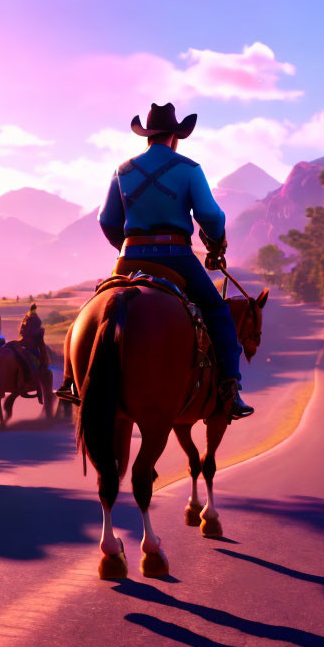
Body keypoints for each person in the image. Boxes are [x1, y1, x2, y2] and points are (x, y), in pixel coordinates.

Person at [68, 102, 252, 419]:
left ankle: (72, 380)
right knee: (216, 310)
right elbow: (209, 215)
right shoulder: (189, 168)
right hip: (176, 256)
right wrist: (216, 235)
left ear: (147, 135)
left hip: (129, 258)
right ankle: (229, 388)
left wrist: (124, 246)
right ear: (176, 135)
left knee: (94, 305)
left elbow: (106, 219)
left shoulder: (122, 170)